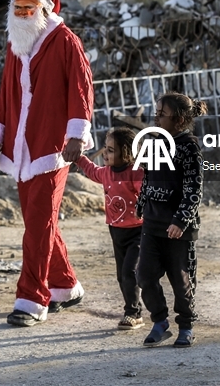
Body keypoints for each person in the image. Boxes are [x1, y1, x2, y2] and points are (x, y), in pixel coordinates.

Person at [0, 0, 93, 327]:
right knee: (38, 222)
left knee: (38, 224)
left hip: (51, 147)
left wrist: (77, 134)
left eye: (29, 9)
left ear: (45, 9)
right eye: (18, 8)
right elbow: (6, 91)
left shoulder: (65, 41)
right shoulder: (16, 42)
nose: (23, 14)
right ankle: (65, 285)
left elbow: (81, 87)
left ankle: (32, 298)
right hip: (20, 146)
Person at [136, 92, 205, 348]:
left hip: (178, 228)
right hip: (152, 224)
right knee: (144, 274)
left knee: (181, 280)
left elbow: (193, 188)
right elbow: (148, 178)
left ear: (179, 119)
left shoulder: (189, 147)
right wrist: (141, 204)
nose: (156, 118)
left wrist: (181, 220)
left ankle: (185, 326)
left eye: (161, 114)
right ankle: (160, 322)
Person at [67, 126, 144, 330]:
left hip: (138, 232)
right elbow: (91, 170)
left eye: (111, 150)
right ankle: (134, 307)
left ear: (126, 152)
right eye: (105, 148)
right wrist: (77, 157)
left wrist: (143, 208)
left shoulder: (135, 173)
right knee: (122, 275)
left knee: (129, 272)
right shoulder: (106, 173)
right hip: (116, 232)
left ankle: (133, 313)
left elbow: (146, 194)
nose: (105, 154)